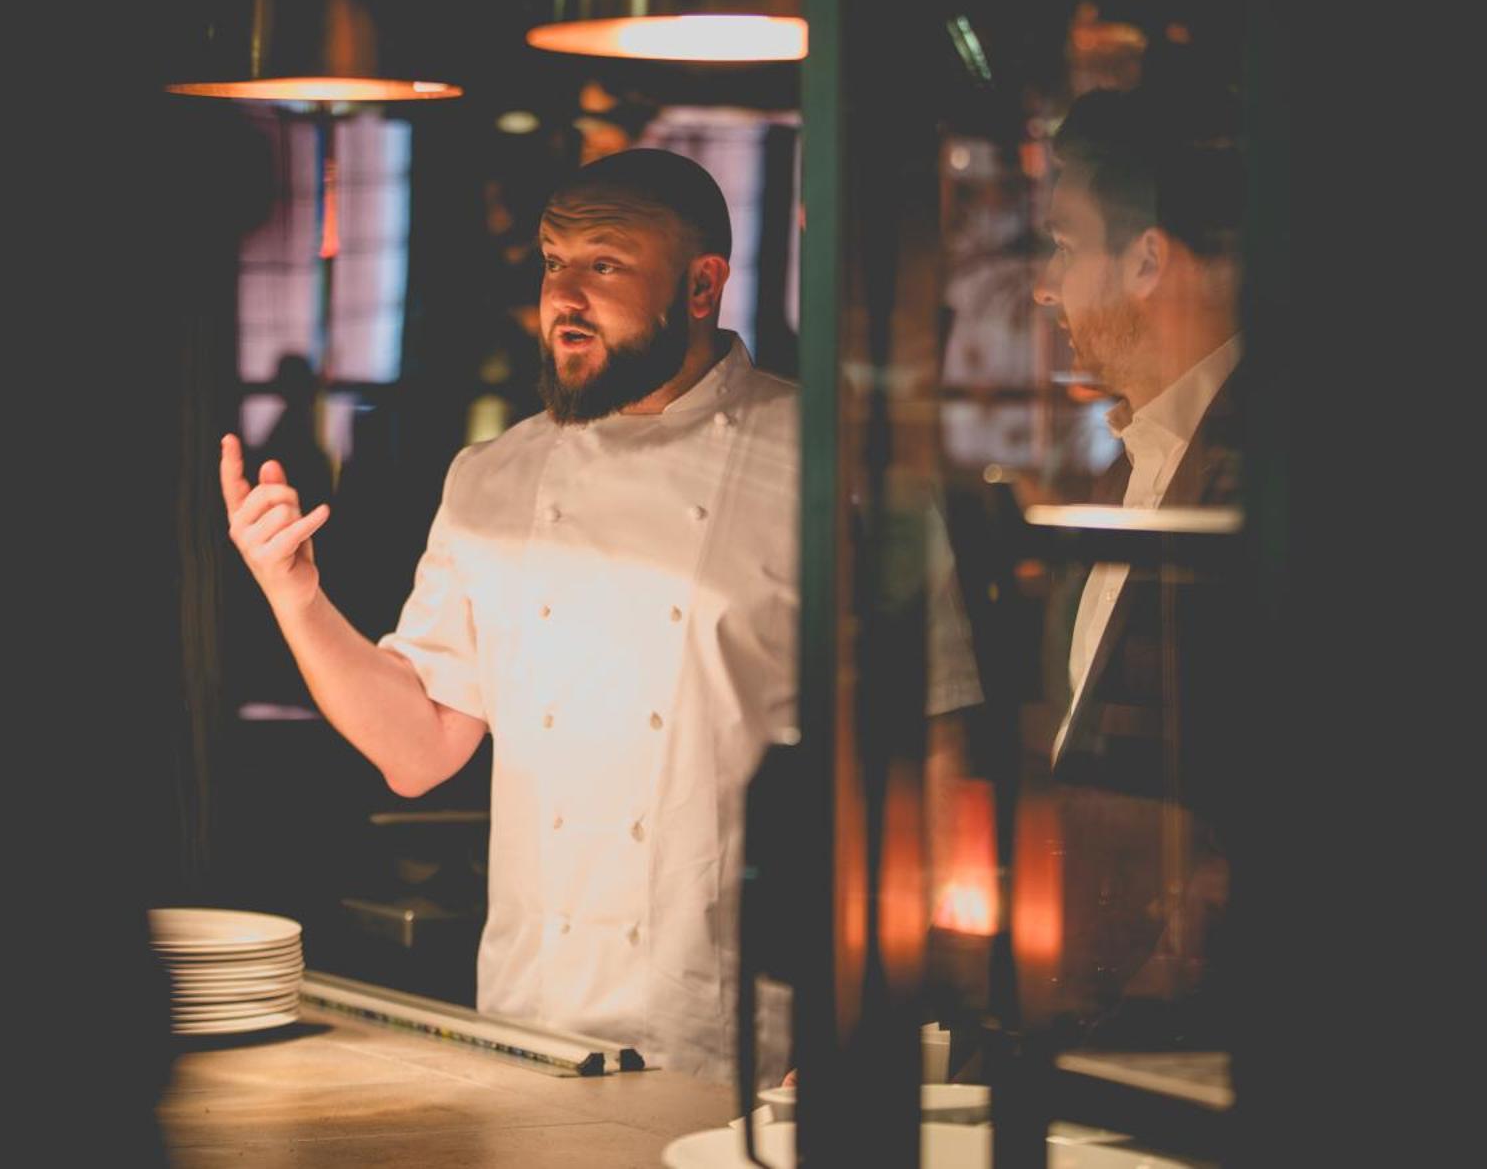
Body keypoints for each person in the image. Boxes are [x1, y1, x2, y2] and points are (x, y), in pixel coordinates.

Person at [221, 148, 981, 1080]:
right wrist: (296, 597)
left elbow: (934, 744)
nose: (564, 296)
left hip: (750, 1045)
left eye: (605, 263)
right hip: (529, 1033)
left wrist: (879, 1015)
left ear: (703, 285)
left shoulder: (837, 465)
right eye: (552, 261)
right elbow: (418, 749)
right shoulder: (490, 477)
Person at [1031, 85, 1248, 1041]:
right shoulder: (1135, 461)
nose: (1046, 284)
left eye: (1067, 246)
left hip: (1222, 1037)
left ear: (1149, 259)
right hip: (1108, 1023)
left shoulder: (1271, 465)